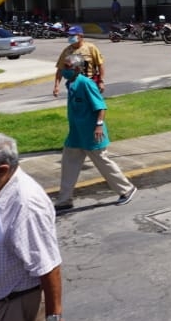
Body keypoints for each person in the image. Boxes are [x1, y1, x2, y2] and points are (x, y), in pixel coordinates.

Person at [0, 132, 65, 321]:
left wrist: (54, 320)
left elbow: (48, 266)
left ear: (1, 170)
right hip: (3, 301)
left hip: (20, 305)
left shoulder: (25, 205)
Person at [53, 54, 136, 211]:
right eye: (64, 66)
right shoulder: (71, 84)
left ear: (77, 69)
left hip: (92, 133)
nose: (64, 70)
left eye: (68, 67)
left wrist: (98, 126)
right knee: (68, 165)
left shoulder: (86, 84)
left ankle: (126, 189)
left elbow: (101, 107)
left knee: (103, 162)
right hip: (76, 134)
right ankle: (64, 200)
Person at [53, 26, 105, 96]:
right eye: (69, 35)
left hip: (90, 81)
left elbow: (100, 64)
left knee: (93, 104)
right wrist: (56, 86)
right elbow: (60, 69)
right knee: (76, 105)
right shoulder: (67, 51)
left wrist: (101, 81)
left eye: (73, 35)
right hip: (74, 84)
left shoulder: (91, 48)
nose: (70, 37)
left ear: (81, 36)